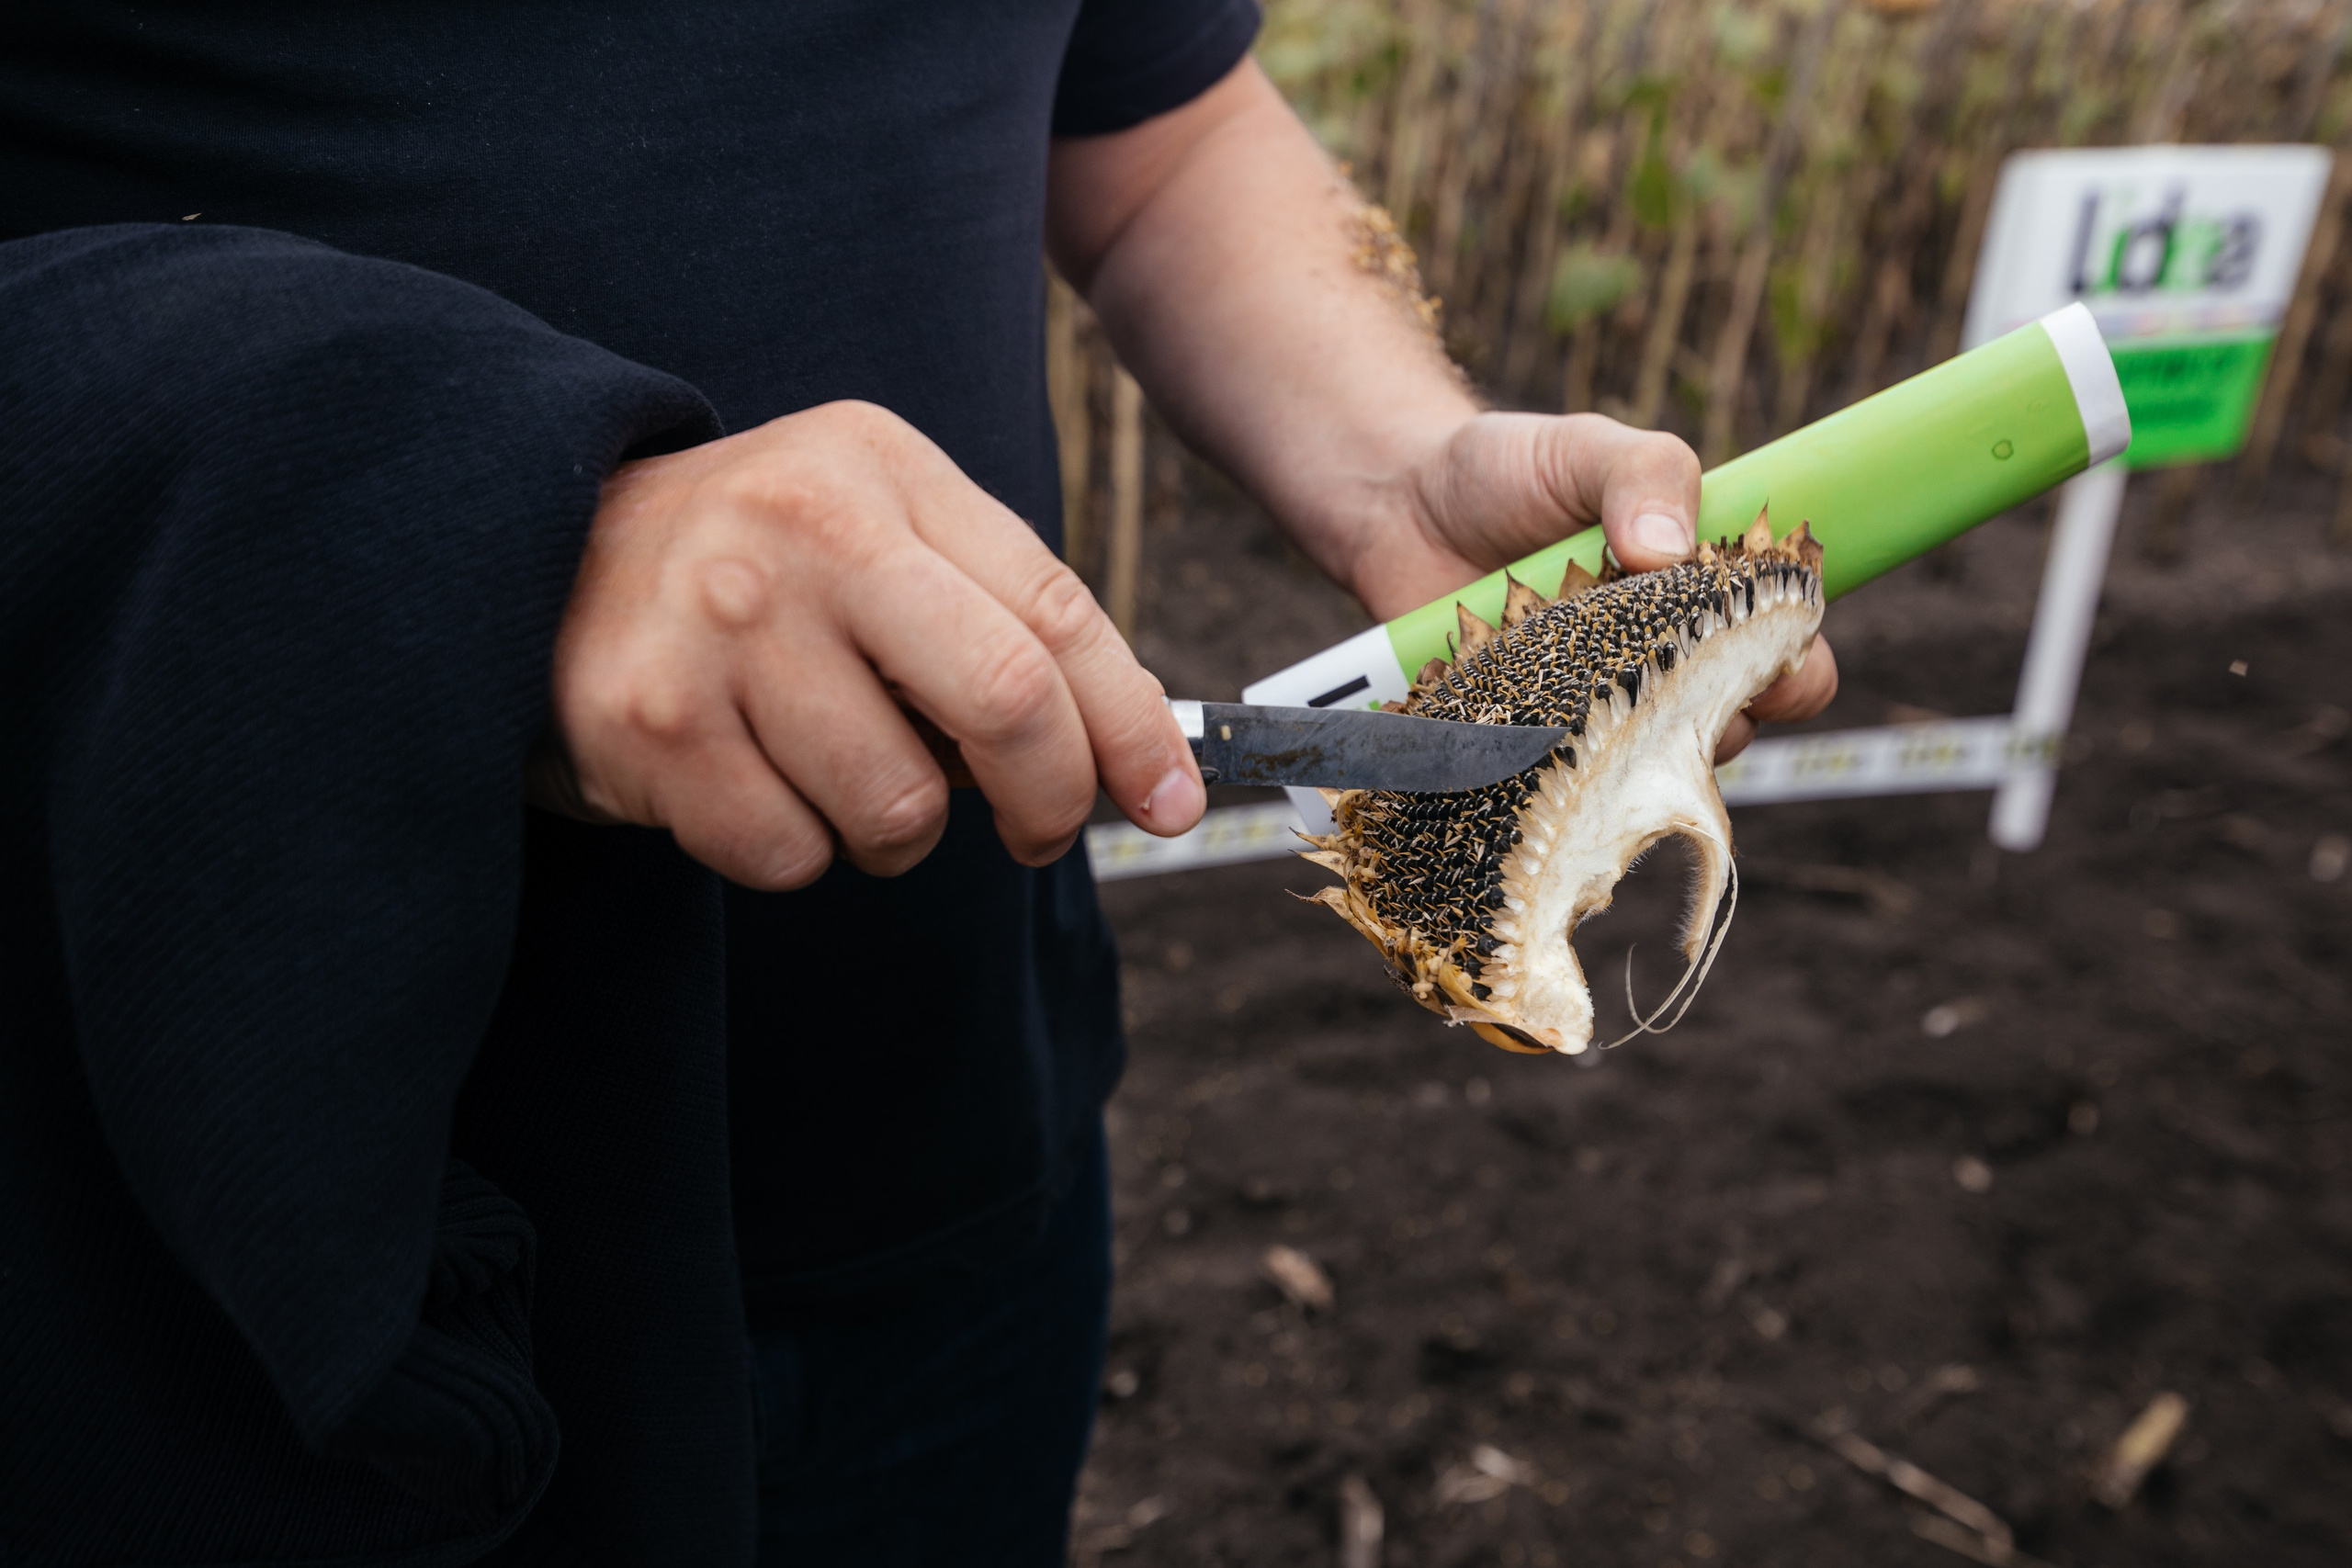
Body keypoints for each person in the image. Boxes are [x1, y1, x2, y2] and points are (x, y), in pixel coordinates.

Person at [0, 3, 1836, 1563]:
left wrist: (1393, 463)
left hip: (956, 1174)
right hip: (258, 1260)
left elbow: (1161, 138)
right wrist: (462, 518)